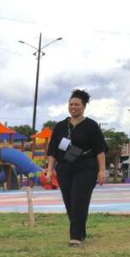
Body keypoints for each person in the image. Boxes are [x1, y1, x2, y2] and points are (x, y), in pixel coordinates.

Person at [44, 89, 108, 246]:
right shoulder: (60, 126)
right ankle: (81, 230)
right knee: (69, 201)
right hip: (65, 167)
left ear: (84, 106)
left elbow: (100, 149)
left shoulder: (91, 125)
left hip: (86, 166)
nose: (73, 107)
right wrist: (50, 169)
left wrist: (102, 170)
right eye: (71, 104)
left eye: (77, 104)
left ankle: (75, 237)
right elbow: (52, 150)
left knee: (79, 199)